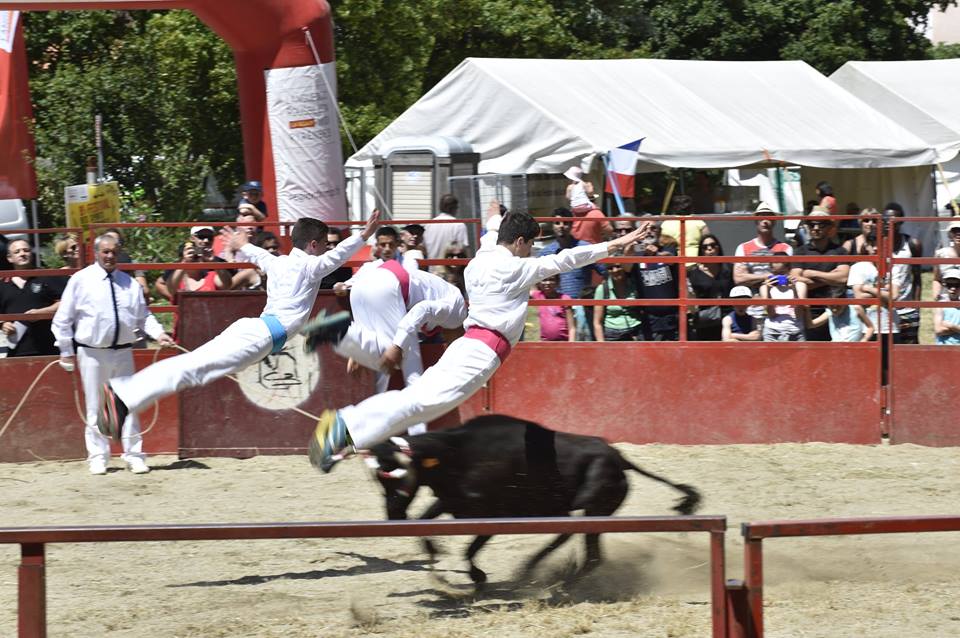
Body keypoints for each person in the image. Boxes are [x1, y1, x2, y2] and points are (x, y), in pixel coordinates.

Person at [304, 211, 648, 472]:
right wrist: (615, 244)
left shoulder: (481, 258)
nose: (530, 251)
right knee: (418, 403)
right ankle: (342, 425)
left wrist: (496, 213)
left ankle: (344, 425)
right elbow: (565, 260)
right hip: (482, 352)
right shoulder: (516, 268)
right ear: (521, 242)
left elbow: (493, 231)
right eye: (530, 244)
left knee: (414, 398)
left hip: (468, 344)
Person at [95, 213, 380, 438]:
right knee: (194, 369)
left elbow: (256, 254)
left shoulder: (279, 262)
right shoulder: (308, 266)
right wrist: (364, 235)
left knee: (196, 369)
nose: (327, 250)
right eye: (324, 245)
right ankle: (123, 394)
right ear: (314, 245)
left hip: (258, 333)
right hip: (261, 335)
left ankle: (125, 396)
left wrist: (241, 244)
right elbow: (337, 256)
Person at [51, 233, 174, 475]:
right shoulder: (81, 280)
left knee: (128, 402)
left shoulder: (129, 284)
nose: (109, 256)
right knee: (96, 405)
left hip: (123, 351)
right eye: (105, 251)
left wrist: (159, 334)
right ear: (96, 253)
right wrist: (65, 350)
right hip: (92, 352)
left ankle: (134, 454)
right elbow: (63, 318)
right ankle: (98, 456)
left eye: (114, 252)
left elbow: (143, 316)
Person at [308, 258, 468, 435]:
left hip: (362, 288)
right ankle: (417, 437)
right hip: (386, 287)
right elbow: (422, 310)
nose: (450, 344)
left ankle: (362, 432)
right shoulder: (457, 313)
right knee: (407, 368)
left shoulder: (443, 293)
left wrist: (358, 351)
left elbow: (375, 265)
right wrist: (398, 345)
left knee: (382, 369)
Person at [538, 208, 607, 340]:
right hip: (556, 310)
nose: (561, 226)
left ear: (571, 225)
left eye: (566, 223)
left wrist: (596, 294)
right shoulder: (545, 253)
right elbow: (536, 281)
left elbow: (605, 271)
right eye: (557, 223)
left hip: (581, 308)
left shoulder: (584, 248)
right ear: (552, 225)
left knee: (583, 346)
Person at [0, 239, 69, 356]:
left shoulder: (46, 276)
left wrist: (42, 312)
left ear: (31, 254)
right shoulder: (3, 284)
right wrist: (2, 324)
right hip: (17, 353)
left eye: (26, 250)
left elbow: (67, 301)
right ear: (9, 258)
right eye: (17, 251)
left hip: (48, 350)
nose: (22, 253)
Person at [789, 210, 849, 341]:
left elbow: (843, 278)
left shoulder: (840, 251)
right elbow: (795, 280)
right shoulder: (800, 252)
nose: (816, 228)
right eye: (811, 224)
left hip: (837, 310)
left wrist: (811, 273)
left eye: (821, 224)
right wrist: (830, 277)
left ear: (829, 227)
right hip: (808, 311)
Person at [848, 231, 899, 384]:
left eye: (880, 245)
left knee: (892, 371)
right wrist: (883, 294)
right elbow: (858, 297)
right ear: (867, 246)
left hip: (891, 327)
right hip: (869, 327)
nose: (876, 248)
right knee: (871, 371)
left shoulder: (893, 266)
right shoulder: (858, 267)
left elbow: (894, 297)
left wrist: (869, 289)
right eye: (873, 244)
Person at [734, 202, 793, 330]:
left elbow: (788, 278)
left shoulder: (786, 248)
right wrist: (770, 276)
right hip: (751, 312)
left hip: (780, 311)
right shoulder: (743, 248)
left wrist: (752, 278)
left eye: (769, 217)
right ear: (756, 220)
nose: (765, 221)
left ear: (774, 221)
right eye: (761, 216)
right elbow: (738, 278)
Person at [882, 202, 923, 343]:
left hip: (907, 309)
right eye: (885, 219)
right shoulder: (877, 246)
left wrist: (916, 307)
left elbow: (917, 278)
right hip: (884, 308)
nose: (888, 222)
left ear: (901, 221)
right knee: (886, 349)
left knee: (909, 349)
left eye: (893, 219)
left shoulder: (912, 244)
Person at [633, 221, 679, 341]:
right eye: (645, 229)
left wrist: (657, 253)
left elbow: (672, 259)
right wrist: (633, 243)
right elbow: (626, 265)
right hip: (649, 320)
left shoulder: (669, 247)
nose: (649, 231)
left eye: (653, 228)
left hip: (672, 317)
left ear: (659, 231)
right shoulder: (635, 253)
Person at [688, 234, 733, 341]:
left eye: (713, 245)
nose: (709, 249)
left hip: (729, 320)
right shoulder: (694, 273)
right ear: (701, 251)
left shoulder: (729, 268)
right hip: (706, 322)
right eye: (705, 247)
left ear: (718, 247)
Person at [759, 253, 808, 342]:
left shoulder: (800, 286)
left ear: (789, 270)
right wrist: (768, 291)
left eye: (781, 273)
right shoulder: (764, 288)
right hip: (772, 332)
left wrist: (794, 290)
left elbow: (799, 314)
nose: (778, 277)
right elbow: (771, 314)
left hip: (795, 331)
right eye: (775, 273)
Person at [593, 262, 643, 341]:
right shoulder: (602, 289)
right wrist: (601, 344)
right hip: (613, 336)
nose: (615, 270)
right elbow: (597, 322)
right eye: (610, 268)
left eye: (618, 266)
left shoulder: (634, 284)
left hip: (636, 332)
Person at [564, 166, 611, 244]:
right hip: (593, 246)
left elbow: (568, 197)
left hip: (575, 246)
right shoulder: (596, 213)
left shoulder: (570, 215)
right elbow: (609, 231)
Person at [659, 194, 711, 261]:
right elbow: (708, 240)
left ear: (673, 208)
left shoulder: (665, 224)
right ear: (691, 208)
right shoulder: (699, 222)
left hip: (673, 261)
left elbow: (661, 243)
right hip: (696, 259)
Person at [422, 194, 470, 266]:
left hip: (431, 268)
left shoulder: (428, 225)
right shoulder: (458, 225)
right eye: (457, 207)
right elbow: (463, 249)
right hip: (451, 269)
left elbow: (423, 249)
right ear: (453, 208)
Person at [531, 274, 574, 341]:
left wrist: (571, 343)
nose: (547, 283)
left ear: (557, 282)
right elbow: (528, 283)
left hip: (562, 342)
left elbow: (571, 326)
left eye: (551, 279)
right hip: (544, 343)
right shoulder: (537, 296)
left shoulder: (564, 298)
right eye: (544, 280)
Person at [807, 301, 874, 343]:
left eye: (838, 306)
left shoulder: (855, 309)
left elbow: (871, 327)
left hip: (854, 349)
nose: (834, 310)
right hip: (836, 349)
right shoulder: (829, 312)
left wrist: (864, 340)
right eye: (831, 306)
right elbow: (811, 324)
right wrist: (806, 309)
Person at [932, 218, 960, 301]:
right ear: (950, 234)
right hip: (946, 300)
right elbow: (937, 279)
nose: (958, 233)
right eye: (955, 230)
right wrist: (936, 296)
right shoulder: (941, 254)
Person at [933, 267, 960, 345]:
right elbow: (938, 330)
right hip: (943, 347)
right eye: (949, 285)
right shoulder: (941, 304)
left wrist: (950, 325)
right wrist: (957, 329)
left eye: (957, 285)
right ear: (945, 285)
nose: (953, 288)